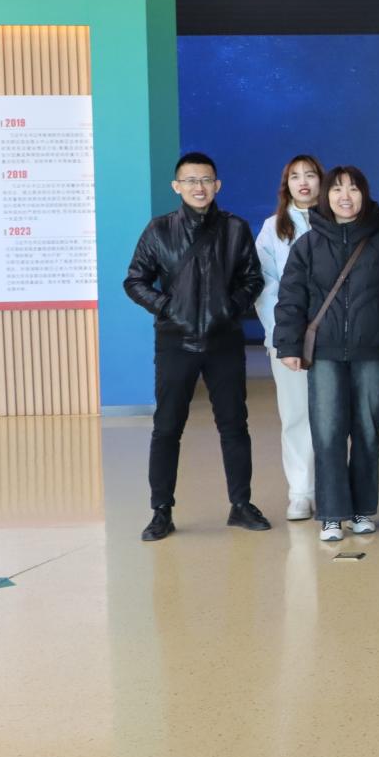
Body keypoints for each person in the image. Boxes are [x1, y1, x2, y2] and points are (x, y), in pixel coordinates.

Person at [123, 152, 269, 542]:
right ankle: (161, 511)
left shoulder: (235, 228)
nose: (199, 187)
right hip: (176, 342)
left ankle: (241, 505)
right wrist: (167, 307)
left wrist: (229, 308)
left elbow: (253, 279)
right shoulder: (159, 230)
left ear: (217, 185)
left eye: (205, 180)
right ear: (177, 186)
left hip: (224, 341)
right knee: (167, 428)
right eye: (190, 180)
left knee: (234, 425)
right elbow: (135, 280)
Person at [273, 165, 379, 543]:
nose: (345, 196)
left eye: (353, 189)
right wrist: (288, 345)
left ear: (364, 195)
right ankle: (332, 514)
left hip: (372, 352)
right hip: (324, 354)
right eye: (337, 189)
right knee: (328, 432)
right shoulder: (308, 245)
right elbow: (290, 300)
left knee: (367, 432)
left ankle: (362, 510)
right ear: (326, 196)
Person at [255, 153, 322, 522]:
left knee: (332, 415)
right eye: (295, 176)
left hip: (332, 337)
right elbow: (265, 287)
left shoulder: (336, 221)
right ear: (287, 185)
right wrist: (284, 335)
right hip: (290, 338)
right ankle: (300, 491)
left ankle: (331, 487)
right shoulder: (273, 228)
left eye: (310, 175)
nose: (304, 182)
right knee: (296, 415)